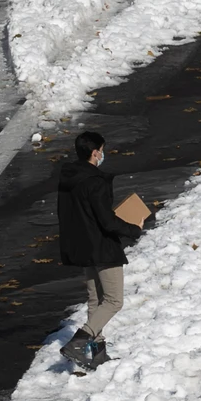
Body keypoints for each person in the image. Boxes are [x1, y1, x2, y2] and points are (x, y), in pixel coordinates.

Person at [56, 130, 145, 370]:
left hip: (82, 247)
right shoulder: (94, 182)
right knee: (114, 301)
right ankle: (79, 342)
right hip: (102, 247)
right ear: (95, 152)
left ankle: (96, 354)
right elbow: (107, 221)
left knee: (96, 300)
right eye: (102, 150)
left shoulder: (68, 178)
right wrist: (134, 228)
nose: (103, 155)